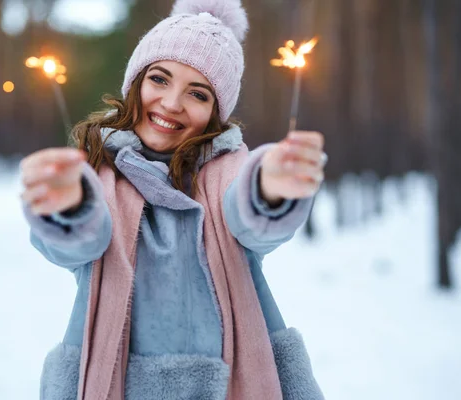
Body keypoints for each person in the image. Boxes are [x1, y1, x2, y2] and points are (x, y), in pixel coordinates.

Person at [20, 0, 326, 399]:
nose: (171, 103)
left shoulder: (225, 172)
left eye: (197, 94)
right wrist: (66, 205)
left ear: (216, 111)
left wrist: (270, 184)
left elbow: (248, 214)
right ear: (137, 82)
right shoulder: (100, 174)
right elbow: (82, 241)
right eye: (160, 80)